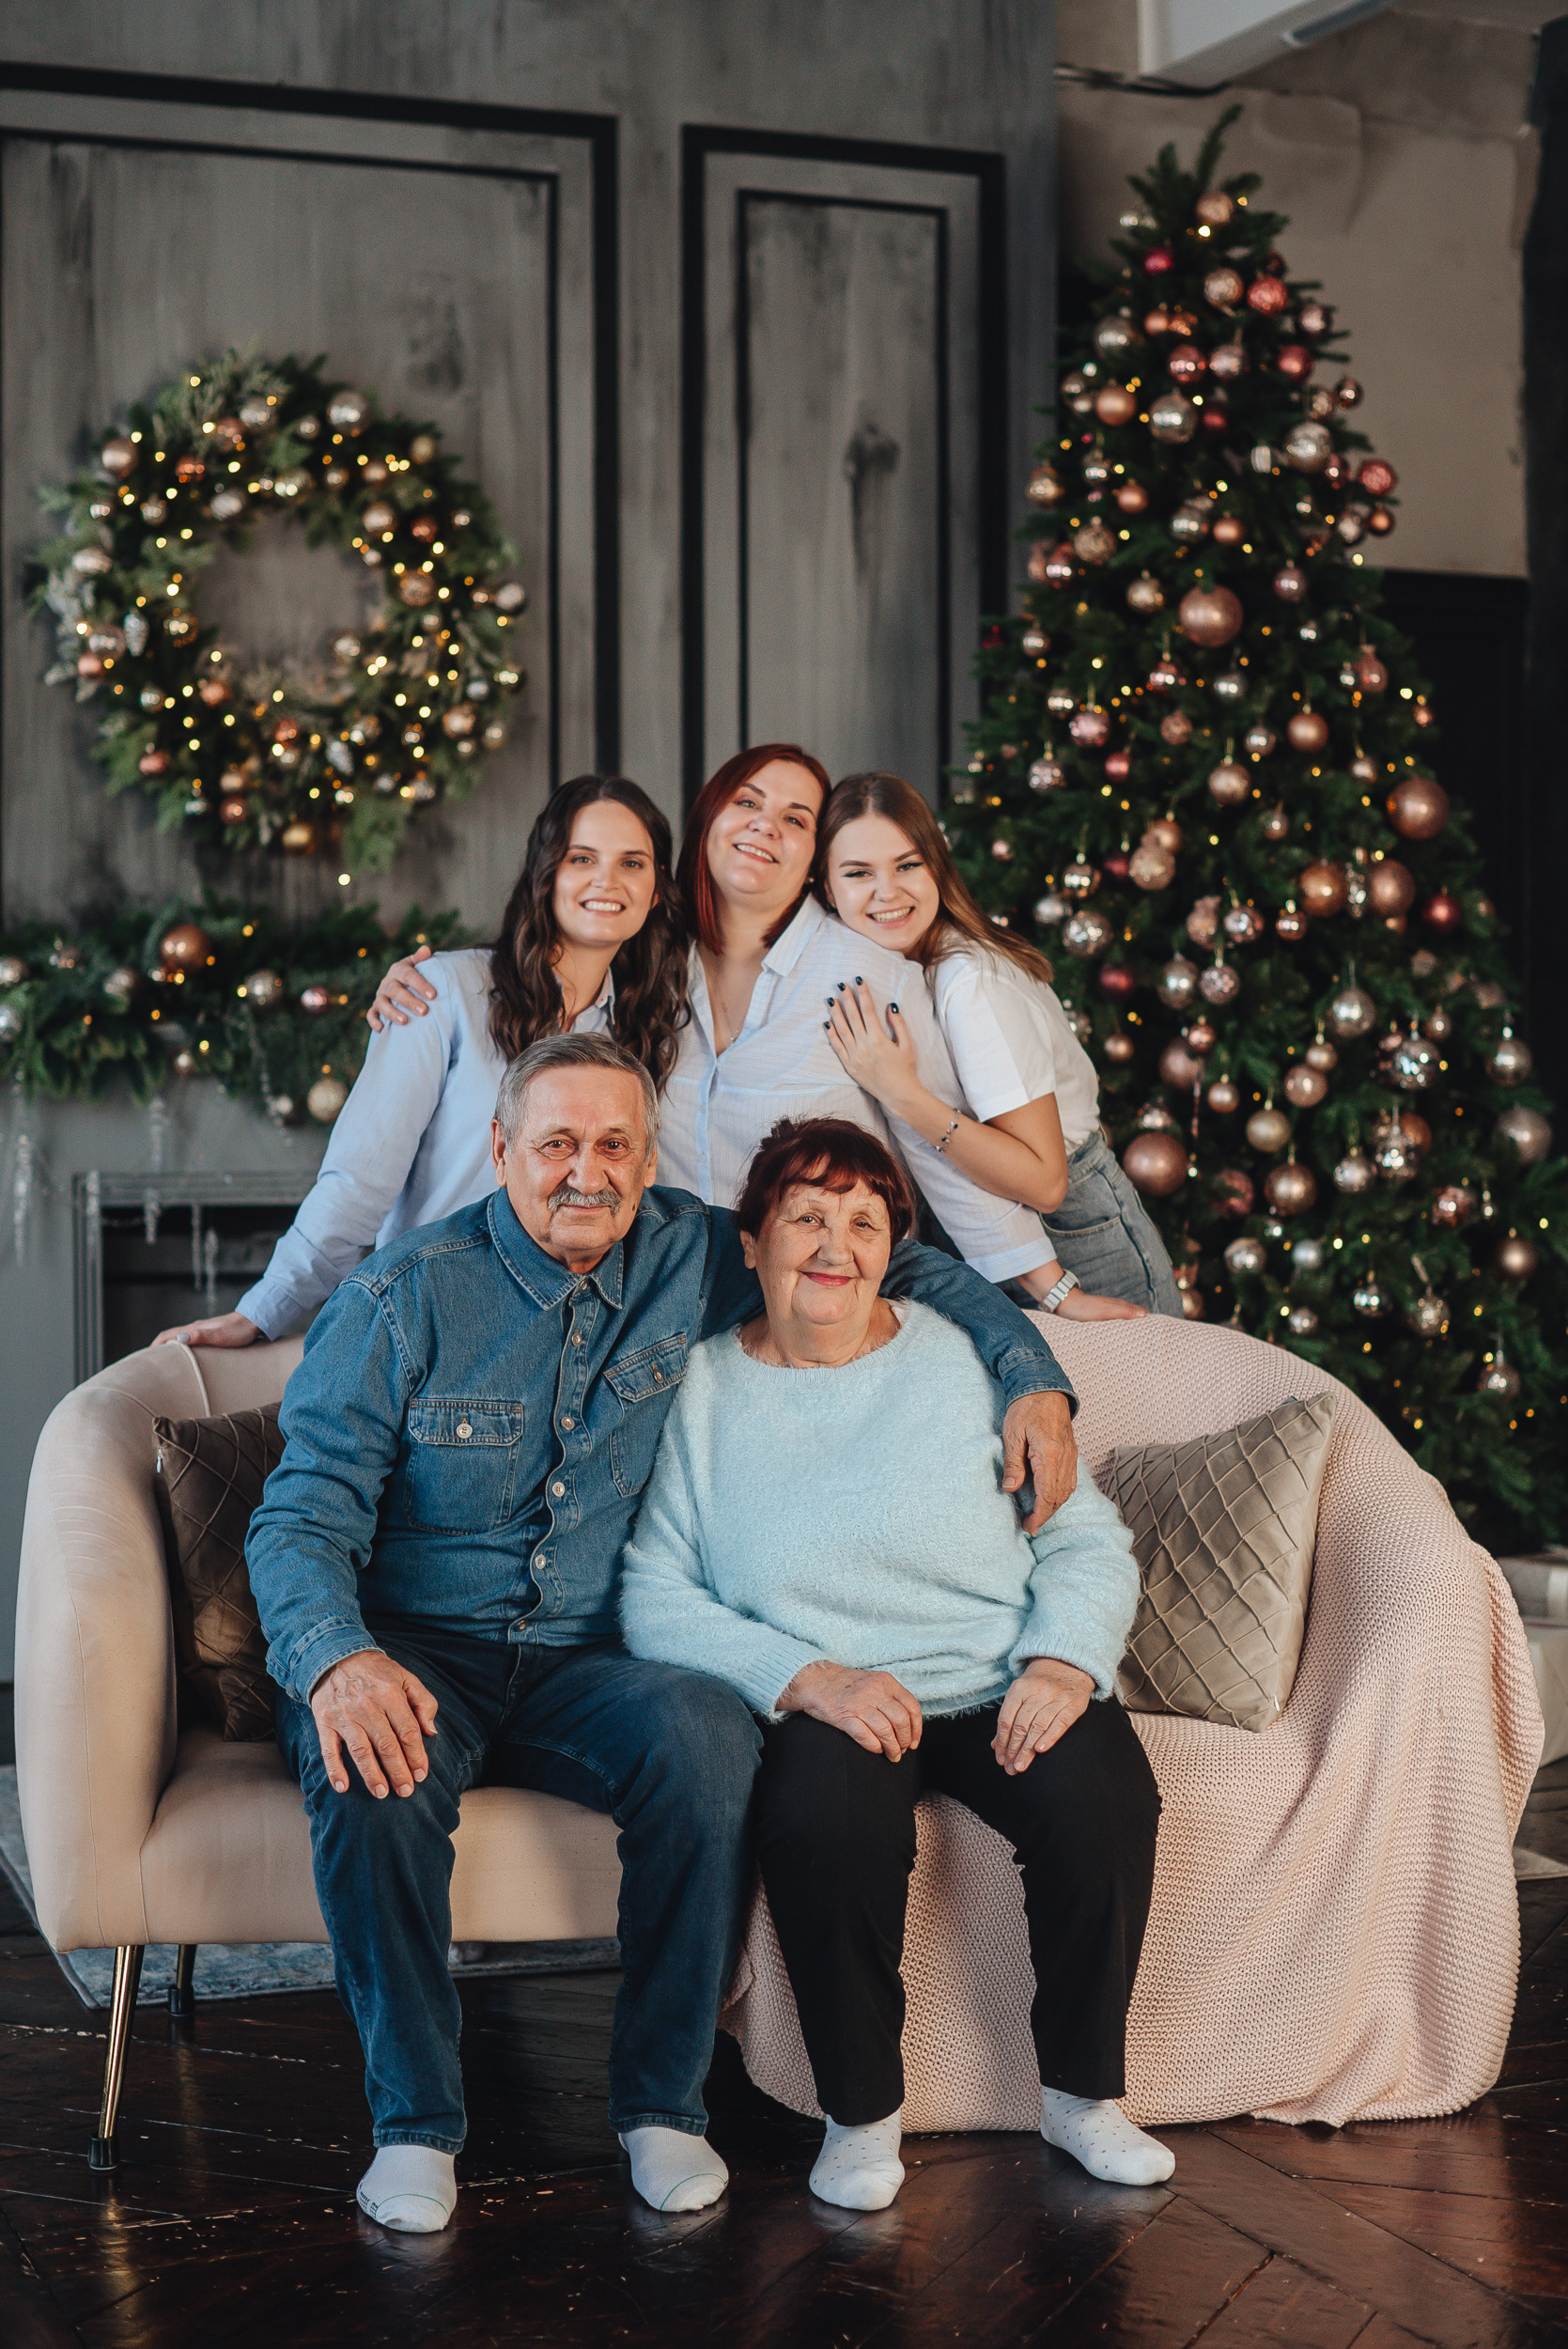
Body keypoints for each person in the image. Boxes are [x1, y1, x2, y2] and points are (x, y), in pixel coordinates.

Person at [245, 1034, 1082, 2233]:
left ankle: (660, 2107)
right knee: (377, 1771)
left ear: (647, 1159)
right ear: (499, 1150)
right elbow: (299, 1515)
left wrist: (1031, 1373)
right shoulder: (399, 1297)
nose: (584, 1172)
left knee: (706, 1739)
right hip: (415, 1644)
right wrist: (338, 1657)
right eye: (555, 1144)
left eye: (613, 1146)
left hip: (597, 1656)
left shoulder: (690, 1252)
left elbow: (915, 1268)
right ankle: (415, 2127)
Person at [621, 1115, 1168, 2213]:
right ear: (752, 1240)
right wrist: (806, 1676)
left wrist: (1063, 1661)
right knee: (822, 1824)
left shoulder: (966, 1357)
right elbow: (651, 1592)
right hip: (837, 1699)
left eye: (863, 1222)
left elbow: (1079, 1536)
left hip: (996, 1672)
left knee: (1105, 1797)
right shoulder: (701, 1394)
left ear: (891, 1248)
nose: (836, 1244)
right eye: (807, 1216)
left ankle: (1082, 2099)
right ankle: (860, 2115)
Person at [152, 772, 689, 1348]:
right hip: (432, 1323)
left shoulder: (639, 1035)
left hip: (570, 1343)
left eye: (633, 863)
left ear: (656, 890)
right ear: (547, 872)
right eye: (582, 857)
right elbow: (360, 1177)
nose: (607, 880)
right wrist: (262, 1312)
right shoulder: (441, 993)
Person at [816, 771, 1183, 1315]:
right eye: (858, 872)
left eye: (908, 865)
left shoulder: (971, 984)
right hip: (988, 1233)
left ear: (937, 866)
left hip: (1078, 1236)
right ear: (827, 887)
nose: (887, 892)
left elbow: (1045, 1181)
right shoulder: (893, 969)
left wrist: (904, 1094)